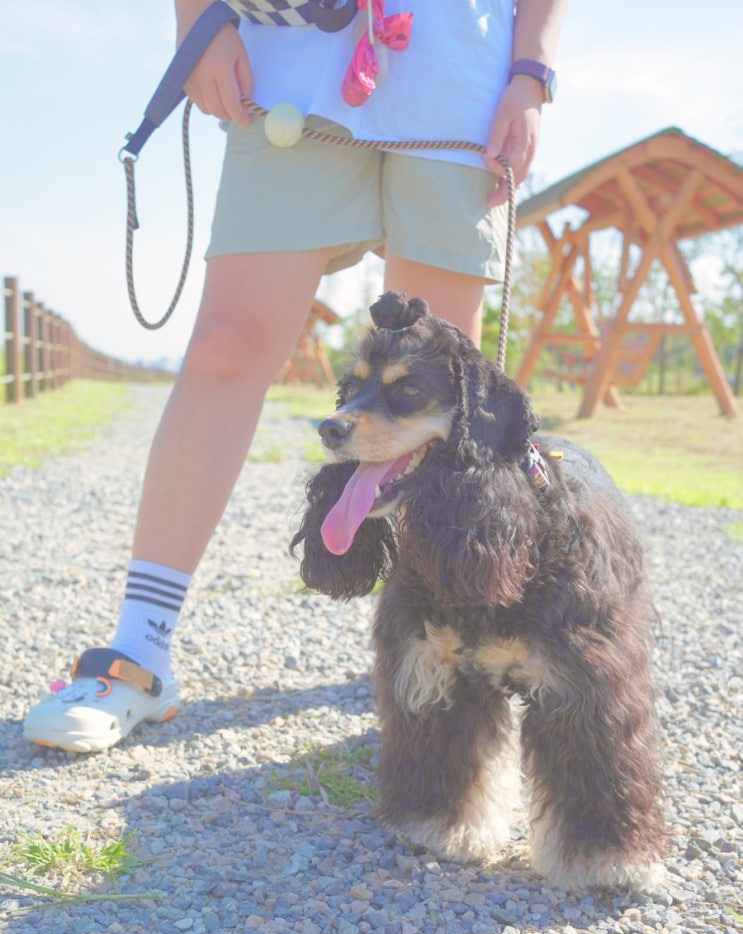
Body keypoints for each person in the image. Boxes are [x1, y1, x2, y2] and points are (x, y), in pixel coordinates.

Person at [24, 0, 568, 752]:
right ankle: (139, 649)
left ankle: (440, 652)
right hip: (290, 67)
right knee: (227, 343)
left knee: (439, 396)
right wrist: (199, 25)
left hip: (460, 77)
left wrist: (531, 73)